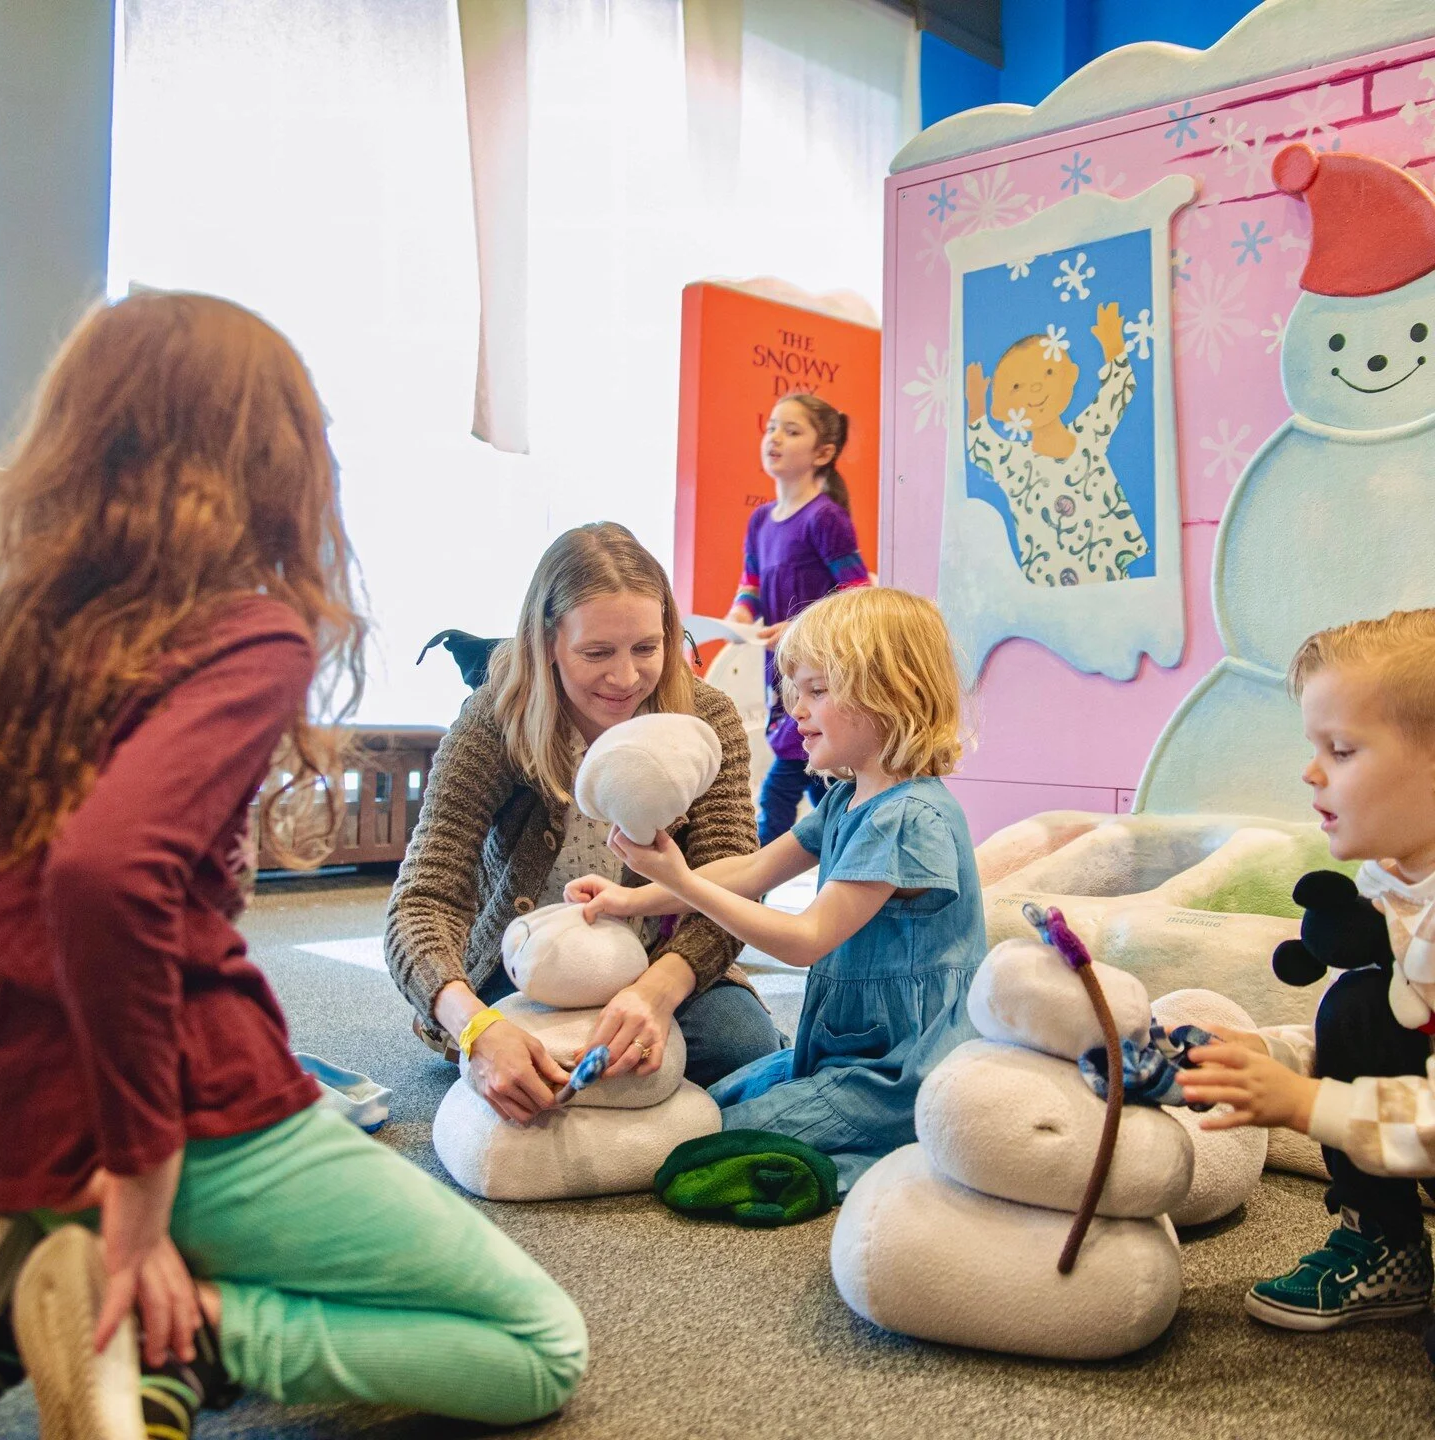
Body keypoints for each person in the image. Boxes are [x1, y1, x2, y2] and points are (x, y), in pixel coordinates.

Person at [0, 293, 587, 1439]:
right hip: (180, 1101)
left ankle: (82, 1291)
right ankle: (206, 1333)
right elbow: (103, 878)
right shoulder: (243, 627)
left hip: (24, 1086)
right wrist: (137, 1181)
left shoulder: (26, 626)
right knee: (537, 1345)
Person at [568, 586, 986, 1194]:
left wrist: (679, 878)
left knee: (699, 1141)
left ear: (890, 695)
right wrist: (634, 896)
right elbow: (750, 871)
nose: (798, 710)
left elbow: (805, 940)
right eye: (798, 691)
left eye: (818, 691)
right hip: (840, 1049)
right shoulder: (849, 797)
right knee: (705, 1101)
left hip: (900, 1074)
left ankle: (909, 1147)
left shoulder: (909, 818)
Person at [385, 521, 781, 1123]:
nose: (624, 679)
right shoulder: (495, 721)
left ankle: (586, 1071)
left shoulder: (707, 718)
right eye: (596, 653)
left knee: (739, 1045)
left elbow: (728, 884)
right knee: (508, 1048)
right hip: (522, 968)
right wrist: (475, 1028)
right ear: (546, 642)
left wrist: (656, 990)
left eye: (646, 649)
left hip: (657, 957)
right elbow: (423, 897)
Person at [1182, 609, 1435, 1346]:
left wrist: (1305, 1104)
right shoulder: (1397, 888)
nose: (1310, 771)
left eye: (1343, 749)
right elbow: (1398, 1025)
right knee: (1358, 1001)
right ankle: (1385, 1245)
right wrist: (1273, 1059)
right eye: (1314, 746)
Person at [725, 393, 871, 846]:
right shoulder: (760, 520)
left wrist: (801, 627)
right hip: (779, 674)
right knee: (822, 784)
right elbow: (751, 581)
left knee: (777, 793)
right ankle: (846, 862)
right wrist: (738, 616)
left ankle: (752, 895)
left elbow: (857, 593)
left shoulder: (826, 518)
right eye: (771, 427)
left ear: (822, 453)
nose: (775, 438)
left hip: (818, 675)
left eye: (792, 431)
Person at [965, 301, 1146, 586]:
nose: (1035, 389)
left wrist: (1113, 345)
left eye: (1048, 373)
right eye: (1016, 386)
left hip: (1110, 574)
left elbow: (1117, 391)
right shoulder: (1013, 463)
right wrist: (975, 404)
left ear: (1070, 375)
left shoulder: (1089, 433)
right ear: (999, 407)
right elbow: (980, 447)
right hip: (1048, 589)